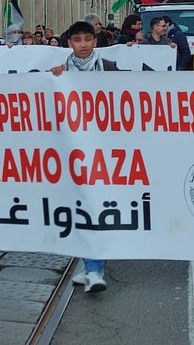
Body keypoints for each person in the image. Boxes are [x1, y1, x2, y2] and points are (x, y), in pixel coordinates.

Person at [51, 21, 118, 293]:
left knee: (95, 201)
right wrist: (54, 78)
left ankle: (94, 268)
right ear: (70, 43)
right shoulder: (59, 72)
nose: (82, 44)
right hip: (72, 148)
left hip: (103, 146)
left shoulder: (111, 68)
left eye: (87, 39)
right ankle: (89, 265)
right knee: (79, 202)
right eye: (77, 39)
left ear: (95, 41)